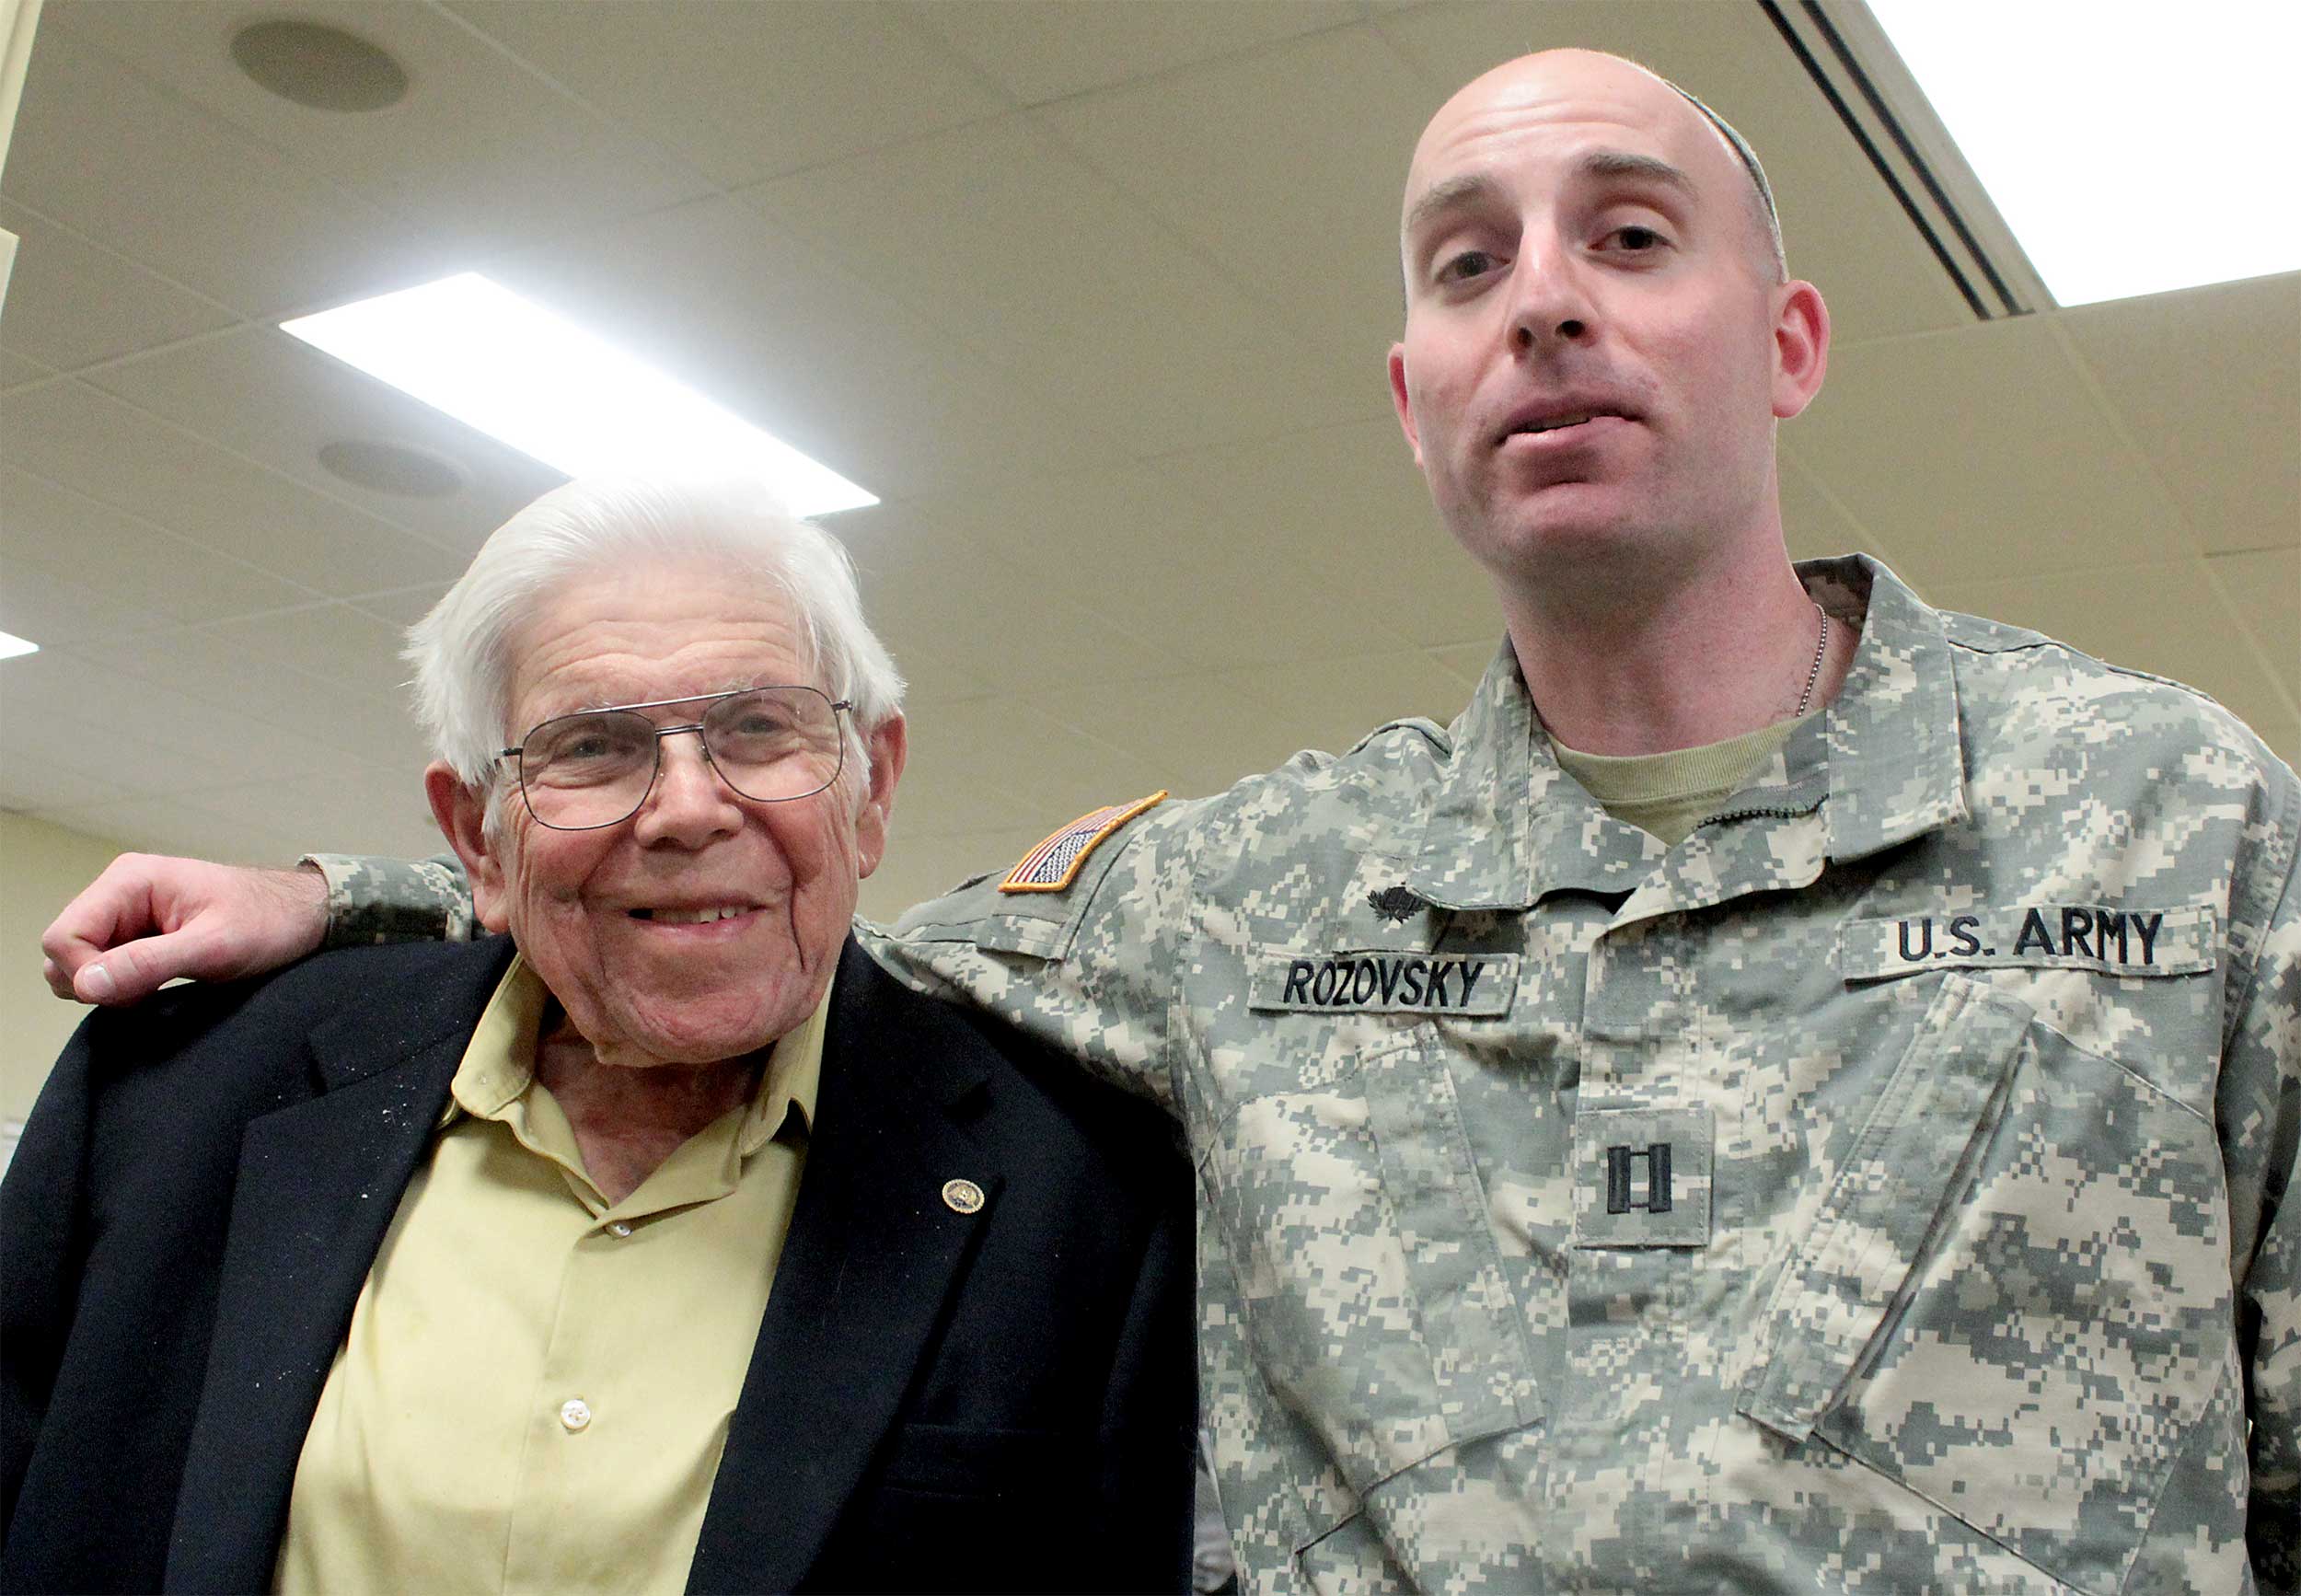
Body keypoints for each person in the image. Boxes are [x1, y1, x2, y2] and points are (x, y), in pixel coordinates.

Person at [37, 49, 2298, 1592]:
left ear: (1786, 338)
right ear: (1410, 398)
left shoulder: (2163, 818)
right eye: (1465, 264)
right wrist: (349, 904)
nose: (1541, 302)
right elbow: (779, 916)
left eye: (1627, 236)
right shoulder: (1246, 897)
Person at [3, 479, 1197, 1595]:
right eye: (591, 746)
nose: (688, 808)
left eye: (759, 726)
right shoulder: (184, 1094)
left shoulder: (1082, 1200)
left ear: (871, 788)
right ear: (477, 834)